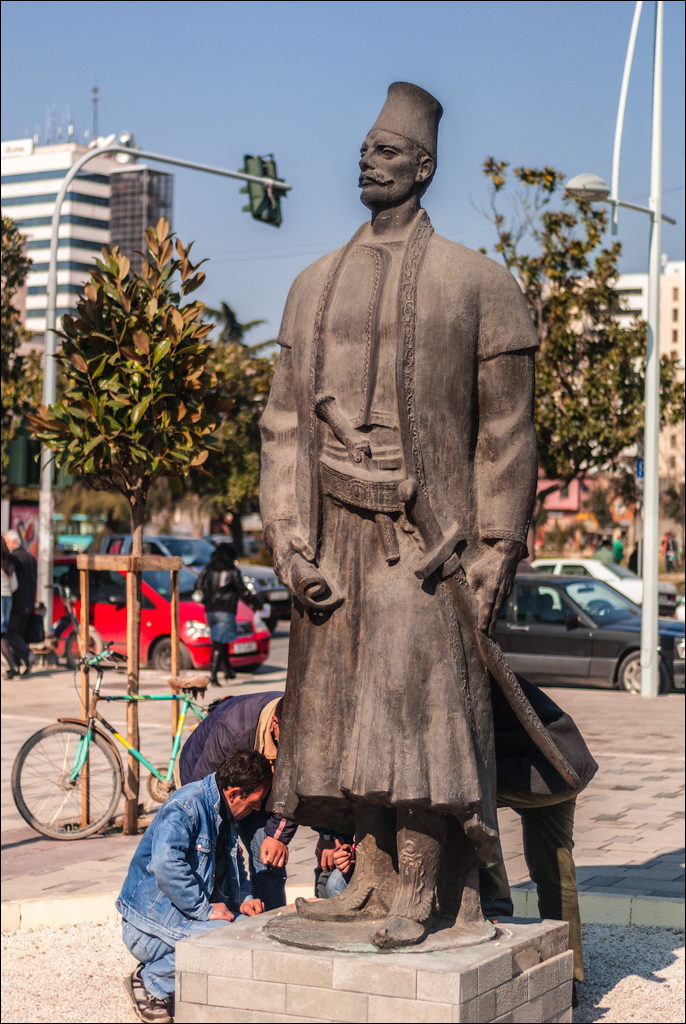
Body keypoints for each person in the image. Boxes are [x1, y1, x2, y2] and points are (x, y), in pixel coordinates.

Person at [260, 81, 539, 946]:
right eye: (363, 150)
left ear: (422, 167)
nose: (365, 161)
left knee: (415, 709)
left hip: (429, 545)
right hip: (330, 532)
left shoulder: (479, 284)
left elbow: (508, 430)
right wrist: (288, 545)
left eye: (384, 152)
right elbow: (281, 425)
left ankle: (423, 885)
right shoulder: (311, 287)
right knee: (344, 711)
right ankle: (370, 878)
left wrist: (499, 547)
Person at [323, 674, 597, 1003]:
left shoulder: (442, 678)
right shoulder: (450, 668)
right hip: (565, 757)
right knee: (555, 869)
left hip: (549, 763)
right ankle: (570, 975)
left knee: (456, 797)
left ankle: (496, 902)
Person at [117, 748, 270, 1024]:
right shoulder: (186, 805)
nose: (258, 808)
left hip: (177, 919)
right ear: (234, 793)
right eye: (256, 801)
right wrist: (204, 910)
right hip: (146, 926)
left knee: (244, 930)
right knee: (226, 938)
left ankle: (166, 971)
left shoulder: (226, 812)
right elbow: (166, 864)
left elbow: (237, 867)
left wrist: (245, 898)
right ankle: (150, 983)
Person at [179, 692, 295, 910]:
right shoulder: (233, 730)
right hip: (204, 776)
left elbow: (296, 787)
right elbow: (203, 793)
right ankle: (213, 914)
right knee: (214, 851)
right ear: (274, 723)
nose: (294, 747)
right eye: (288, 738)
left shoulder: (301, 718)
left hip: (256, 788)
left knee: (268, 857)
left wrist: (278, 835)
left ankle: (269, 924)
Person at [195, 542, 251, 685]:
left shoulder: (208, 570)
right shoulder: (233, 572)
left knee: (222, 641)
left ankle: (228, 670)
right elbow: (242, 591)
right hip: (226, 611)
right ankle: (213, 676)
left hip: (210, 612)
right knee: (219, 644)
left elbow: (197, 586)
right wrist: (256, 603)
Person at [3, 529, 37, 676]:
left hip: (16, 602)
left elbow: (14, 584)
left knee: (10, 634)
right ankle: (19, 664)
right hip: (29, 602)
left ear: (13, 542)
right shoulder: (31, 557)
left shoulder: (14, 558)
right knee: (19, 634)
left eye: (7, 542)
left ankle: (27, 657)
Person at [1, 537, 20, 677]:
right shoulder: (8, 564)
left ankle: (13, 666)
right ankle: (14, 665)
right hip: (8, 598)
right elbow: (14, 586)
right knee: (3, 632)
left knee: (1, 635)